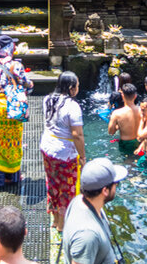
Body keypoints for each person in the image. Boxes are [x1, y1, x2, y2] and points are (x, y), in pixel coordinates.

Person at [0, 35, 33, 192]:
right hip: (13, 107)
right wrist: (30, 86)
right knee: (13, 141)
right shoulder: (16, 66)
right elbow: (27, 87)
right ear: (9, 48)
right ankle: (12, 176)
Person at [39, 71, 86, 231]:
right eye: (77, 86)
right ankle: (62, 226)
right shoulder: (72, 106)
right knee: (67, 189)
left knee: (52, 183)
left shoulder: (48, 99)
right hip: (64, 153)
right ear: (71, 88)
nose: (78, 88)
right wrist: (82, 157)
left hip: (47, 147)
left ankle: (55, 219)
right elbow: (77, 135)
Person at [61, 158, 127, 264]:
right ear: (105, 190)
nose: (116, 187)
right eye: (116, 183)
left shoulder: (79, 200)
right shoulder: (87, 235)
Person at [108, 83, 141, 155]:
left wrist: (118, 126)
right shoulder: (142, 111)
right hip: (140, 142)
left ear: (122, 95)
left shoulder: (117, 113)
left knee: (128, 162)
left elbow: (111, 132)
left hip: (126, 143)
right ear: (135, 96)